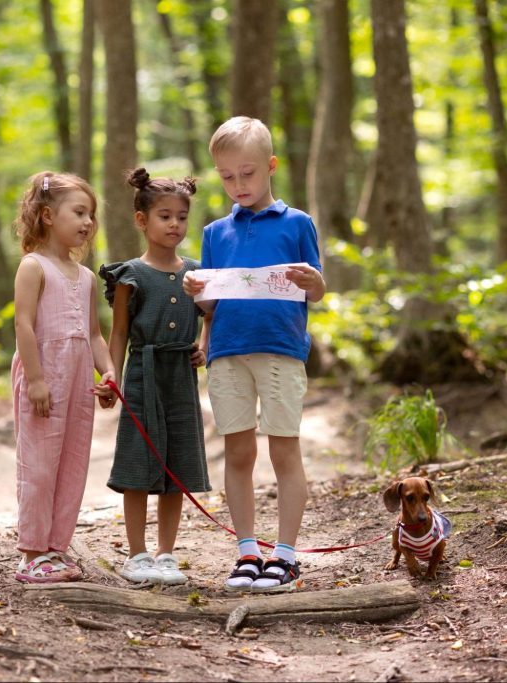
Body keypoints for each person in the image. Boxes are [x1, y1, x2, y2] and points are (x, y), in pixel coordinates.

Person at [183, 117, 325, 592]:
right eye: (226, 177)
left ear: (270, 166)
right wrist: (195, 290)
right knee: (238, 452)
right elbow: (210, 304)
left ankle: (285, 555)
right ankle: (247, 551)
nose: (238, 185)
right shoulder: (214, 233)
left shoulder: (297, 223)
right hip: (227, 351)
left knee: (283, 448)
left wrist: (314, 282)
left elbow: (317, 290)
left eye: (247, 173)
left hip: (281, 349)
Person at [99, 168, 211, 585]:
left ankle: (166, 554)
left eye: (182, 216)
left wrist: (204, 344)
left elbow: (209, 316)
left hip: (180, 376)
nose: (175, 225)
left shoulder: (198, 273)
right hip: (143, 374)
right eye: (165, 216)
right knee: (137, 461)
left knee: (176, 465)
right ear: (142, 220)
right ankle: (137, 554)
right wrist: (111, 377)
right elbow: (120, 332)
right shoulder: (129, 274)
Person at [11, 171, 117, 583]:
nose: (88, 222)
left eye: (91, 214)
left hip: (77, 379)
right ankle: (31, 551)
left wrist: (107, 371)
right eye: (78, 212)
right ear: (48, 215)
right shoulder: (32, 267)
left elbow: (92, 333)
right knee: (39, 462)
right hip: (44, 375)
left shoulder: (86, 276)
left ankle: (56, 548)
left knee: (72, 460)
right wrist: (36, 379)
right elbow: (23, 325)